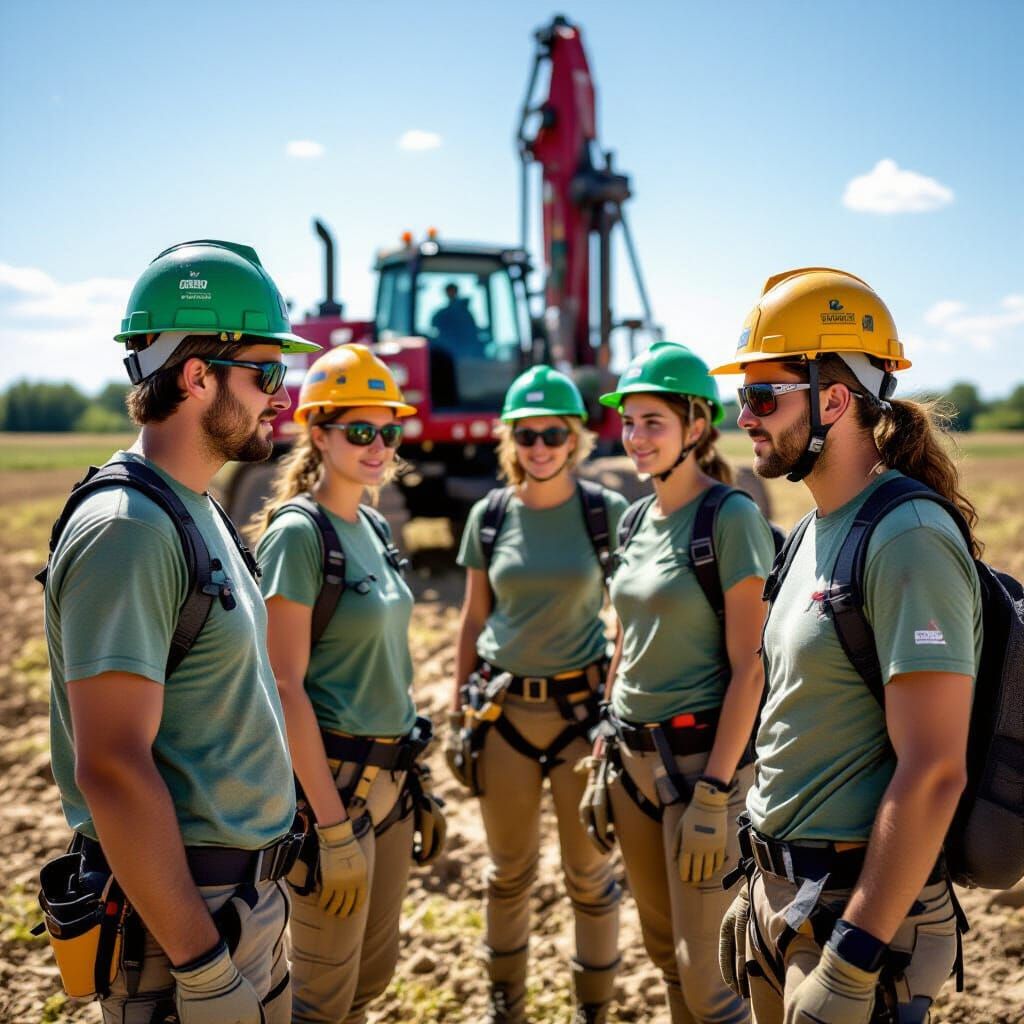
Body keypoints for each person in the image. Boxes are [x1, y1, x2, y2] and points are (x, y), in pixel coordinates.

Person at [38, 239, 320, 1023]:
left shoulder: (198, 508)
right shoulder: (127, 530)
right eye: (267, 372)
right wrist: (201, 969)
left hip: (240, 909)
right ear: (196, 376)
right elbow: (113, 767)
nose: (281, 395)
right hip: (184, 929)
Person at [711, 268, 982, 1024]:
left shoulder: (910, 540)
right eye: (743, 397)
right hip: (790, 903)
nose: (747, 417)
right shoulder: (807, 531)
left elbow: (935, 769)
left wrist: (855, 956)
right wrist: (759, 888)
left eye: (764, 396)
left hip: (859, 916)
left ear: (835, 400)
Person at [253, 343, 444, 1024]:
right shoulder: (299, 536)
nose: (377, 445)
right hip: (331, 789)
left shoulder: (370, 523)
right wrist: (330, 828)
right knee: (322, 999)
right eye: (359, 430)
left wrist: (414, 784)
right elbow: (283, 686)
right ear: (317, 433)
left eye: (387, 430)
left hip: (390, 785)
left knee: (370, 979)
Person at [597, 341, 776, 1024]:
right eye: (629, 422)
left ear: (696, 428)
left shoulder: (729, 518)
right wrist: (604, 741)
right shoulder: (634, 518)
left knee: (712, 983)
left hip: (703, 767)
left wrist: (715, 793)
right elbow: (625, 634)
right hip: (631, 766)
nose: (636, 438)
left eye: (653, 423)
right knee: (665, 957)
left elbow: (750, 666)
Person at [448, 364, 627, 1024]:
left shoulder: (603, 514)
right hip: (505, 721)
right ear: (511, 440)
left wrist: (616, 706)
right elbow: (471, 620)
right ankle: (506, 1008)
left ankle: (594, 1011)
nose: (542, 447)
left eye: (554, 433)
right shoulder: (489, 517)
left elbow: (629, 616)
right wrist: (455, 713)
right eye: (528, 435)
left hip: (582, 720)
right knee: (508, 874)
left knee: (590, 879)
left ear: (576, 436)